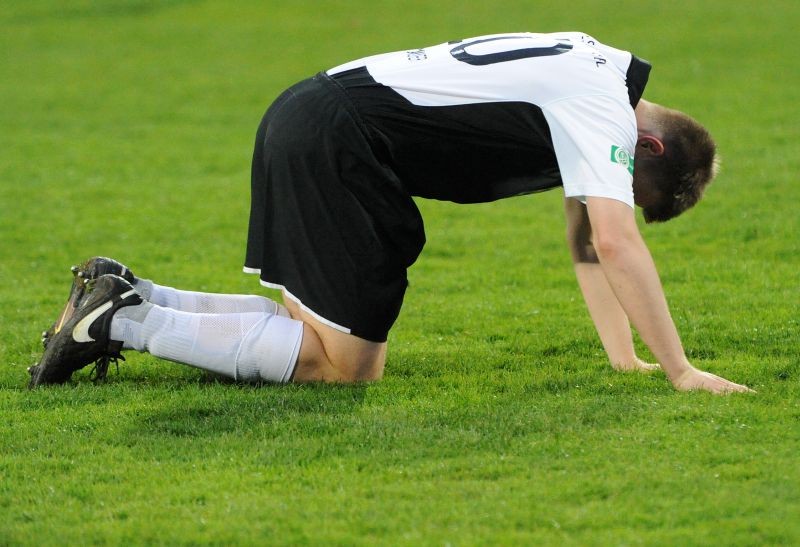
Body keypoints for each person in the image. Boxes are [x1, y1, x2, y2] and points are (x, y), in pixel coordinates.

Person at [29, 32, 752, 394]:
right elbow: (615, 240)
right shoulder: (602, 110)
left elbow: (590, 238)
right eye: (630, 182)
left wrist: (625, 356)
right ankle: (121, 318)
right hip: (340, 142)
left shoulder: (590, 67)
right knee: (342, 367)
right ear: (647, 144)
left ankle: (131, 293)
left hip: (315, 114)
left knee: (308, 335)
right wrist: (681, 370)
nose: (611, 191)